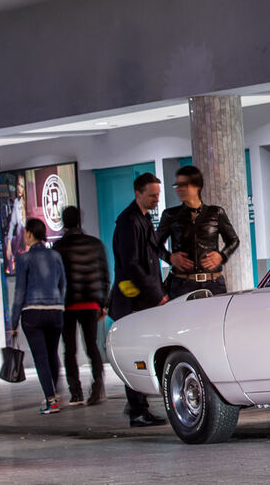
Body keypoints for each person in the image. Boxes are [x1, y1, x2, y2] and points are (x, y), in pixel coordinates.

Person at [108, 172, 168, 427]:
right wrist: (157, 295)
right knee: (136, 352)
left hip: (142, 299)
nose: (156, 200)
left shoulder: (142, 219)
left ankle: (137, 405)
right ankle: (137, 410)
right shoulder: (129, 222)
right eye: (152, 195)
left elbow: (152, 252)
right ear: (138, 193)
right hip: (133, 301)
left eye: (158, 195)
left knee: (141, 351)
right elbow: (132, 264)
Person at [52, 206, 110, 406]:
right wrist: (103, 303)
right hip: (91, 303)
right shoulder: (95, 244)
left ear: (63, 222)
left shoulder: (59, 247)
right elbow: (104, 275)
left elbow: (56, 278)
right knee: (92, 346)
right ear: (79, 220)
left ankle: (75, 392)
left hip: (67, 305)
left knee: (69, 349)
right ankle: (98, 386)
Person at [156, 166, 240, 299]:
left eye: (183, 185)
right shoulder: (170, 215)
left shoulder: (216, 212)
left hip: (213, 284)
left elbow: (234, 240)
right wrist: (170, 257)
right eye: (177, 185)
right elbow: (155, 244)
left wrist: (222, 256)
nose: (179, 189)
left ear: (197, 186)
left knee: (216, 319)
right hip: (182, 284)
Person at [10, 218, 66, 414]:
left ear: (30, 234)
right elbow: (62, 284)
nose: (24, 236)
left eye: (25, 233)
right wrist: (60, 304)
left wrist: (13, 321)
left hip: (32, 313)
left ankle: (51, 400)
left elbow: (19, 292)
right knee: (52, 354)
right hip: (55, 311)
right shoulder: (56, 256)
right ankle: (55, 394)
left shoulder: (24, 259)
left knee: (40, 357)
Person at [4, 174, 27, 274]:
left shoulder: (28, 202)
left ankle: (13, 257)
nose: (19, 188)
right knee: (6, 239)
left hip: (27, 237)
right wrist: (9, 243)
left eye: (21, 186)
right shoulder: (17, 202)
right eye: (18, 184)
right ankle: (12, 267)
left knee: (20, 228)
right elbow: (12, 223)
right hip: (19, 238)